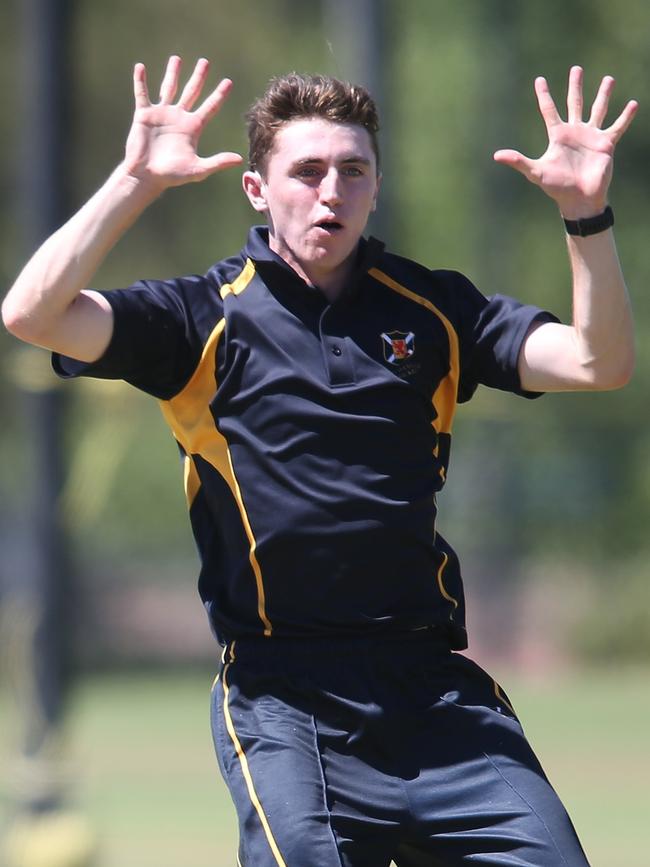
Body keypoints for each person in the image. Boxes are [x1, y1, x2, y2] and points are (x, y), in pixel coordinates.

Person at [2, 56, 637, 866]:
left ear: (375, 187)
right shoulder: (200, 317)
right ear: (258, 190)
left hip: (434, 690)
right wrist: (135, 181)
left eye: (352, 170)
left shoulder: (434, 309)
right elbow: (32, 313)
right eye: (306, 170)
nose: (331, 190)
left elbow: (598, 361)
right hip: (284, 699)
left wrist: (587, 217)